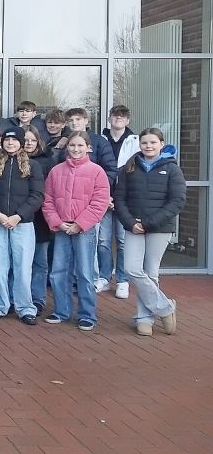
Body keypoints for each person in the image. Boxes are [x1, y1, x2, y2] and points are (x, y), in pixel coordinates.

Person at [114, 129, 185, 336]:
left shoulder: (172, 169)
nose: (148, 146)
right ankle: (165, 307)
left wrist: (148, 223)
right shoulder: (129, 168)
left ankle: (145, 318)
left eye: (153, 142)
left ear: (161, 144)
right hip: (133, 226)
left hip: (159, 228)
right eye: (144, 143)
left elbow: (177, 201)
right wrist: (130, 222)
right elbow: (119, 199)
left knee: (151, 272)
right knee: (131, 268)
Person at [42, 131, 110, 331]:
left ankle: (87, 315)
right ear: (67, 147)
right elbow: (48, 200)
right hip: (61, 227)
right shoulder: (56, 171)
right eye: (72, 145)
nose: (76, 149)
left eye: (80, 145)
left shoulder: (97, 172)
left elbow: (99, 202)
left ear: (88, 147)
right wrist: (57, 222)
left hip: (84, 230)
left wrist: (80, 224)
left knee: (85, 273)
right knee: (58, 272)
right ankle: (61, 311)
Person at [0, 126, 43, 325]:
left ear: (21, 143)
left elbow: (37, 196)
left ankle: (25, 307)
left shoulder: (33, 166)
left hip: (22, 224)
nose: (11, 143)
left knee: (23, 267)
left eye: (14, 140)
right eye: (7, 140)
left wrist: (18, 216)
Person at [99, 105, 140, 299]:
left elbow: (135, 173)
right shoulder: (100, 140)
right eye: (115, 116)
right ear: (109, 119)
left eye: (123, 116)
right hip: (103, 199)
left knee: (123, 242)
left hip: (125, 200)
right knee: (103, 241)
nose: (118, 119)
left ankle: (122, 280)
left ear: (128, 120)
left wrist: (120, 198)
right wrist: (105, 196)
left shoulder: (136, 142)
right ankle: (104, 278)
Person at [22, 125, 59, 314]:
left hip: (40, 218)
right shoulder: (10, 160)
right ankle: (19, 297)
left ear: (39, 142)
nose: (29, 143)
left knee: (39, 261)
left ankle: (37, 299)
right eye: (25, 140)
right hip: (19, 217)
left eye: (33, 140)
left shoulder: (48, 161)